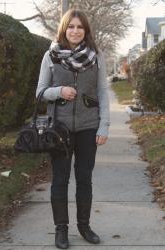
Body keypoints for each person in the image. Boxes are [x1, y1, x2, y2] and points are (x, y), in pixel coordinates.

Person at [36, 9, 110, 249]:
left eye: (80, 27)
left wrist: (104, 126)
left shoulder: (96, 55)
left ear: (86, 30)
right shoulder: (51, 55)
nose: (75, 31)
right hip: (59, 129)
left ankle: (84, 226)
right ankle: (61, 230)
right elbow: (40, 93)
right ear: (64, 29)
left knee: (84, 179)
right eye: (71, 27)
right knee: (60, 180)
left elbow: (102, 93)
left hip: (89, 127)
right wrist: (59, 92)